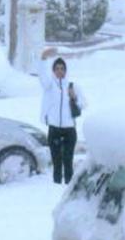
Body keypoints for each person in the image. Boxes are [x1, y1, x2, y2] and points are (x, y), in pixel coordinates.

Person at [37, 48, 87, 184]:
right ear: (53, 71)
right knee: (56, 161)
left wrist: (74, 96)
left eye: (62, 68)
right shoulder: (49, 85)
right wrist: (43, 58)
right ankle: (56, 185)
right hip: (54, 129)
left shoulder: (73, 86)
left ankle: (68, 186)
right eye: (57, 68)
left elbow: (84, 104)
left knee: (68, 160)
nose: (60, 71)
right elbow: (42, 76)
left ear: (66, 70)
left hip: (69, 130)